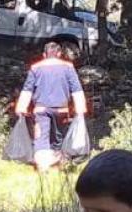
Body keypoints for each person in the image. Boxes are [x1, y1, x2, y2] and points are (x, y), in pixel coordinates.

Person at [14, 40, 88, 173]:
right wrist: (80, 109)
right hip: (61, 110)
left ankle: (43, 167)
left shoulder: (36, 67)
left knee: (41, 138)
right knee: (58, 138)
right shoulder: (68, 67)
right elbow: (76, 89)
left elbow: (27, 90)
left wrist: (21, 107)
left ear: (44, 54)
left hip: (41, 109)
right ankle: (56, 165)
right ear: (59, 54)